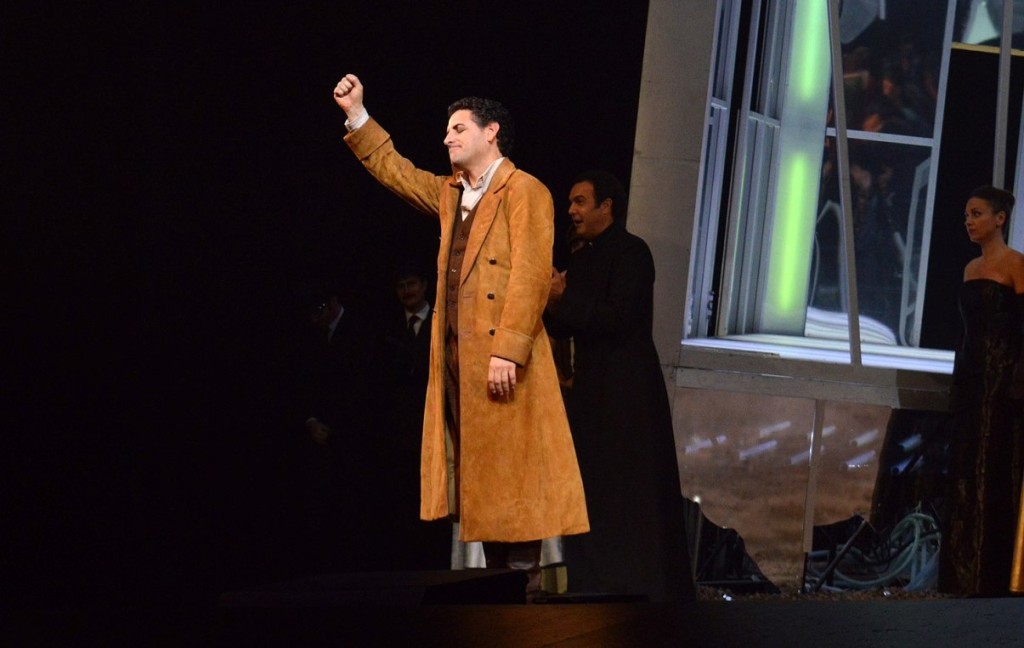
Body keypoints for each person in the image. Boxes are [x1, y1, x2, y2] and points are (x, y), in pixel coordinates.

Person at [332, 74, 589, 593]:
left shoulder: (525, 190)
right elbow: (398, 174)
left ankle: (526, 596)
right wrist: (358, 115)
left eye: (457, 129)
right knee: (484, 488)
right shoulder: (453, 195)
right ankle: (500, 596)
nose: (447, 138)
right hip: (458, 366)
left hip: (503, 362)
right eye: (447, 131)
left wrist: (509, 351)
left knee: (515, 482)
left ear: (491, 132)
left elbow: (532, 274)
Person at [544, 171, 695, 602]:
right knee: (594, 488)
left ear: (606, 206)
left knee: (631, 488)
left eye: (579, 202)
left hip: (628, 392)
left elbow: (615, 317)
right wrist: (553, 304)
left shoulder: (632, 253)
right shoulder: (585, 258)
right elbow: (567, 322)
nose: (570, 211)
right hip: (592, 389)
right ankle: (595, 582)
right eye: (570, 202)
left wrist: (562, 301)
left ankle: (639, 584)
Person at [940, 185, 1024, 596]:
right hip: (973, 380)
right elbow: (967, 334)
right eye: (967, 216)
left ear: (1000, 219)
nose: (970, 222)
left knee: (997, 470)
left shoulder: (1017, 265)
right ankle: (963, 573)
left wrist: (1016, 383)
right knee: (966, 473)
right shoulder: (970, 269)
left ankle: (995, 576)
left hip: (1005, 385)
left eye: (977, 214)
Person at [377, 267, 451, 570]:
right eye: (401, 286)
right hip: (401, 433)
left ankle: (440, 567)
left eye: (411, 284)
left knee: (438, 505)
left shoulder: (441, 318)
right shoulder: (388, 328)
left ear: (425, 286)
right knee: (404, 506)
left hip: (435, 424)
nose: (407, 291)